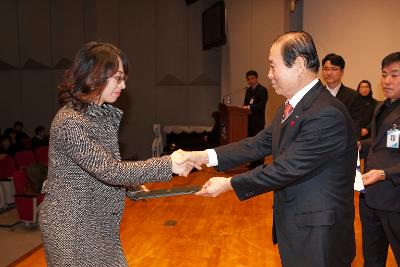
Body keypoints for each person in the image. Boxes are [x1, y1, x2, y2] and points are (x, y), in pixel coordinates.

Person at [182, 31, 357, 267]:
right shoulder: (293, 107)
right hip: (298, 228)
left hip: (318, 237)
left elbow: (286, 168)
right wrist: (204, 155)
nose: (269, 75)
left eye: (273, 67)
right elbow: (258, 143)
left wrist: (229, 184)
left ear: (299, 65)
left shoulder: (326, 113)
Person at [39, 42, 196, 267]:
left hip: (95, 222)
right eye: (118, 78)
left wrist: (129, 184)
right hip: (72, 227)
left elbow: (105, 165)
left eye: (124, 79)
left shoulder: (99, 114)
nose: (123, 85)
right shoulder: (69, 122)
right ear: (96, 75)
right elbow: (109, 170)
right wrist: (168, 164)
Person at [359, 52, 400, 267]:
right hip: (371, 198)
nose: (387, 81)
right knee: (372, 260)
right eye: (384, 75)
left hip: (395, 200)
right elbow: (379, 143)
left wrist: (384, 174)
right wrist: (359, 145)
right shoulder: (380, 107)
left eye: (394, 75)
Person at [322, 53, 363, 138]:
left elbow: (356, 125)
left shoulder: (353, 96)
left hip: (342, 144)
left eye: (334, 69)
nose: (329, 73)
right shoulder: (316, 94)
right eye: (326, 69)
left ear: (342, 71)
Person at [242, 70, 268, 169]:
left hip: (258, 122)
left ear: (257, 78)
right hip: (248, 121)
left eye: (252, 78)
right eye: (248, 79)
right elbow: (245, 104)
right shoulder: (248, 90)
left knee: (259, 143)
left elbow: (261, 105)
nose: (250, 81)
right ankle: (252, 162)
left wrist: (249, 107)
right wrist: (244, 108)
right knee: (251, 144)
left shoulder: (262, 90)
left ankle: (259, 164)